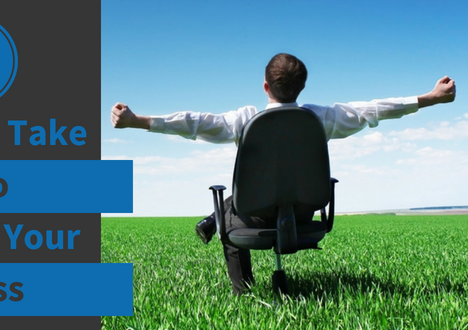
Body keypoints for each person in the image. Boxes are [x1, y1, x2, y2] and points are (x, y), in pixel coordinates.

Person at [110, 53, 456, 294]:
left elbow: (194, 122)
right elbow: (375, 110)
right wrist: (430, 97)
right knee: (238, 201)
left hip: (255, 218)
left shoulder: (245, 120)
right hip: (306, 212)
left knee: (229, 214)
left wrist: (136, 122)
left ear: (265, 86)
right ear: (301, 87)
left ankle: (242, 290)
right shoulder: (320, 118)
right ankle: (213, 221)